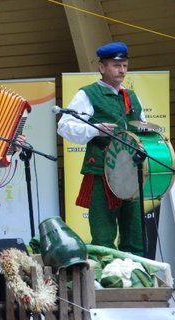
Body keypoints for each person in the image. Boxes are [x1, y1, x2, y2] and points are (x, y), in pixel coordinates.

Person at [57, 41, 144, 255]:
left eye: (124, 65)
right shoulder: (87, 94)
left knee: (134, 232)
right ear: (102, 67)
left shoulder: (131, 96)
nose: (122, 70)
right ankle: (107, 281)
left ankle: (137, 277)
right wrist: (96, 130)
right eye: (116, 65)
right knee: (103, 233)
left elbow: (143, 125)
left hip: (131, 172)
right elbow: (64, 127)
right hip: (102, 171)